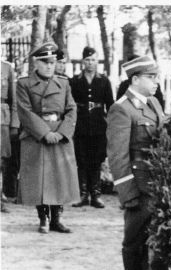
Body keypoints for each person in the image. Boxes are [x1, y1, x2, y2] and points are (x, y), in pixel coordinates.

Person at [107, 55, 171, 270]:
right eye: (151, 77)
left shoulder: (155, 103)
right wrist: (127, 192)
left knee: (156, 240)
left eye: (156, 76)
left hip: (158, 183)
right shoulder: (121, 109)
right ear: (135, 79)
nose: (156, 81)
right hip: (139, 185)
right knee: (134, 242)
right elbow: (117, 156)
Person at [16, 42, 79, 233]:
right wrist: (45, 133)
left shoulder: (64, 83)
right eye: (45, 62)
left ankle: (56, 219)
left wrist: (61, 132)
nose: (49, 66)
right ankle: (43, 218)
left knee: (59, 177)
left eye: (52, 62)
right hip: (37, 135)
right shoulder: (24, 83)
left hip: (60, 134)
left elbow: (72, 109)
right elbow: (24, 111)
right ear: (36, 63)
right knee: (40, 179)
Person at [70, 47, 114, 208]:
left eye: (93, 60)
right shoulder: (74, 81)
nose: (90, 63)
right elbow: (70, 104)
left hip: (98, 126)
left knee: (96, 160)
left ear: (97, 61)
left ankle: (96, 194)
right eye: (87, 60)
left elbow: (110, 105)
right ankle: (82, 195)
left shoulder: (103, 80)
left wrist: (111, 125)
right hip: (81, 125)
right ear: (83, 61)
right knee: (81, 160)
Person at [1, 60, 20, 213]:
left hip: (2, 117)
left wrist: (14, 123)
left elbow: (13, 99)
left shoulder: (7, 68)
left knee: (1, 160)